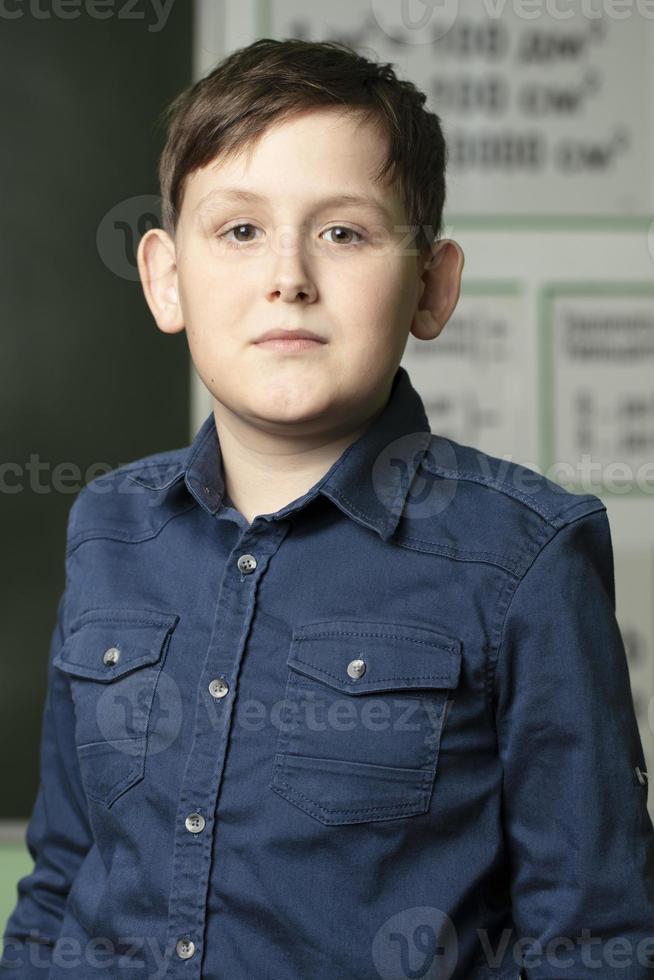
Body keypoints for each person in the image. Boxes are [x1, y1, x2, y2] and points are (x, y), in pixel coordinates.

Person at [2, 37, 653, 980]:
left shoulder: (526, 555)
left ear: (432, 285)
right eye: (239, 231)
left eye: (343, 232)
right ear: (165, 278)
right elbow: (63, 875)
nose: (289, 276)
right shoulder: (109, 528)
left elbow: (593, 939)